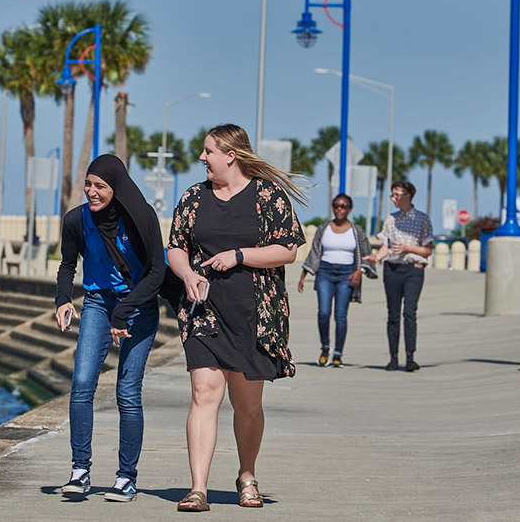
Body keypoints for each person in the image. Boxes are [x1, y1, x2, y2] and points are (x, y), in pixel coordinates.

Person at [166, 124, 305, 512]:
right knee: (204, 395)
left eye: (208, 151)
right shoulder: (194, 197)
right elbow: (176, 247)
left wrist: (239, 255)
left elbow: (288, 250)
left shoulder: (267, 196)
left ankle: (247, 475)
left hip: (254, 314)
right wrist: (187, 274)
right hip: (204, 312)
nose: (201, 158)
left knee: (246, 405)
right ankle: (198, 488)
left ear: (230, 155)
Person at [53, 154, 166, 503]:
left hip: (140, 306)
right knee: (83, 382)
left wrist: (126, 311)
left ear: (116, 188)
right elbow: (67, 264)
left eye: (100, 186)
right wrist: (62, 299)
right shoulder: (76, 220)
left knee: (127, 392)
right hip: (98, 304)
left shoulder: (141, 217)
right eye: (88, 184)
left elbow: (157, 273)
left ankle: (125, 477)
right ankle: (80, 470)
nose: (92, 191)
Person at [362, 180, 433, 373]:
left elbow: (427, 250)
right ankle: (393, 357)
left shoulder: (422, 219)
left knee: (409, 312)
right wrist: (376, 257)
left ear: (408, 195)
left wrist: (409, 248)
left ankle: (410, 356)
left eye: (397, 194)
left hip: (413, 269)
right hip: (392, 269)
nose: (394, 198)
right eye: (392, 194)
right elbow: (387, 245)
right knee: (392, 314)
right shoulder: (391, 219)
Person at [298, 193, 375, 368]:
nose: (340, 209)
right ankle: (325, 348)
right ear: (333, 207)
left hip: (346, 274)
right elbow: (315, 252)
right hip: (325, 272)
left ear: (350, 209)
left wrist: (359, 272)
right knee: (324, 312)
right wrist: (304, 275)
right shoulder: (324, 228)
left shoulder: (357, 231)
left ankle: (338, 353)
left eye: (344, 206)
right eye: (337, 206)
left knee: (341, 316)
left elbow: (366, 253)